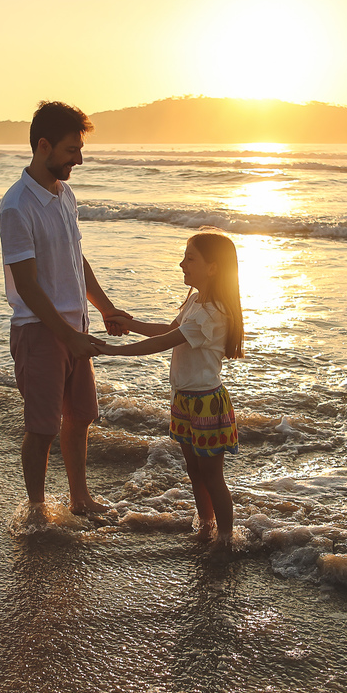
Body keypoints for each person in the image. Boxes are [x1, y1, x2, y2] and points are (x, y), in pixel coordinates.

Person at [0, 100, 130, 518]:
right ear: (43, 147)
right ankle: (37, 510)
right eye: (72, 150)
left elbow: (77, 259)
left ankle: (79, 499)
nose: (80, 159)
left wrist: (106, 309)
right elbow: (28, 285)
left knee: (80, 418)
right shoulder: (17, 206)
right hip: (40, 330)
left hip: (77, 326)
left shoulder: (65, 192)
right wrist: (66, 335)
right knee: (42, 427)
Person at [95, 232, 244, 545]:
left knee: (212, 476)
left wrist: (108, 350)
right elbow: (170, 330)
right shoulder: (195, 300)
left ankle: (227, 539)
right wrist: (129, 322)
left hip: (206, 402)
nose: (182, 264)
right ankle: (206, 525)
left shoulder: (211, 314)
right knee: (194, 470)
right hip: (185, 399)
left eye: (190, 258)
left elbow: (164, 342)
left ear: (214, 268)